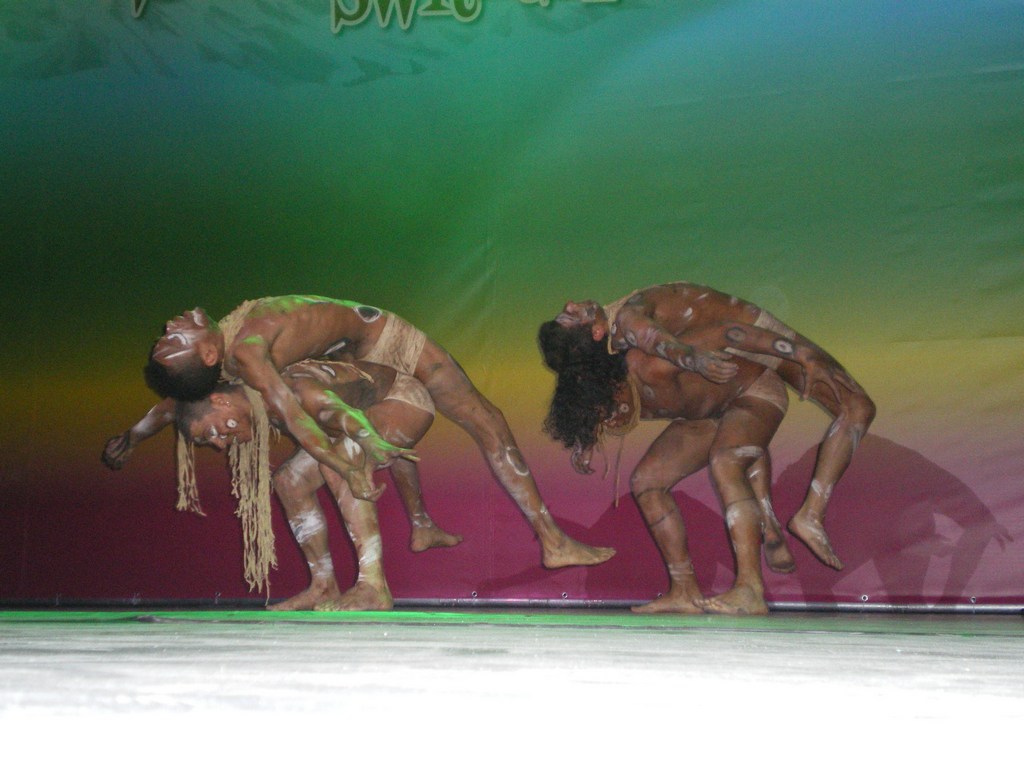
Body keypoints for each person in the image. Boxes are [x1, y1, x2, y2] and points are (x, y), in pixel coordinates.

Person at [103, 296, 615, 569]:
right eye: (174, 337)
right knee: (483, 421)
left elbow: (176, 404)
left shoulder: (221, 367)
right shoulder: (246, 353)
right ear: (209, 354)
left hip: (370, 344)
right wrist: (341, 463)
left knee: (421, 423)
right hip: (378, 348)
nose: (173, 324)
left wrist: (134, 434)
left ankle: (444, 526)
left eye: (168, 335)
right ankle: (550, 541)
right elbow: (292, 416)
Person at [545, 283, 875, 571]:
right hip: (740, 341)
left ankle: (789, 516)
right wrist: (697, 359)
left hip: (740, 342)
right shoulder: (625, 327)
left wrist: (801, 355)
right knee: (855, 408)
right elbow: (669, 346)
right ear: (595, 332)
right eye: (571, 316)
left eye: (567, 312)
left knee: (841, 409)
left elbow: (683, 344)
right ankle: (802, 516)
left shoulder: (613, 336)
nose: (570, 304)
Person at [540, 314, 798, 615]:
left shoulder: (651, 365)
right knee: (647, 482)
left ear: (609, 384)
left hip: (754, 392)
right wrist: (586, 441)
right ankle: (685, 591)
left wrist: (799, 355)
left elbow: (720, 331)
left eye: (607, 412)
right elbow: (589, 406)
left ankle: (750, 588)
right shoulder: (599, 386)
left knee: (725, 461)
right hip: (710, 415)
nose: (610, 419)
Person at [178, 359, 460, 610]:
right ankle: (323, 586)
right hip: (356, 417)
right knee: (289, 481)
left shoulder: (287, 389)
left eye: (211, 431)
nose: (218, 444)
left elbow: (339, 414)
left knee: (340, 462)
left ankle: (373, 586)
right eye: (207, 441)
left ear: (221, 401)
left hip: (401, 399)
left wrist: (368, 444)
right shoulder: (262, 401)